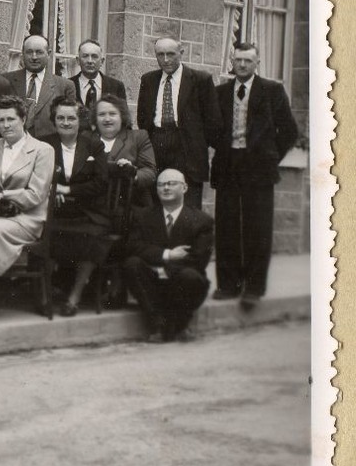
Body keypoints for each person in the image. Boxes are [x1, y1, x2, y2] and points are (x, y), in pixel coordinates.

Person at [209, 42, 300, 306]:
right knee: (227, 227)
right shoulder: (220, 92)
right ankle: (228, 285)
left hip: (258, 169)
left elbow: (290, 132)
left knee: (257, 228)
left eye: (248, 60)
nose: (243, 65)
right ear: (232, 61)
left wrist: (269, 157)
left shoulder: (271, 91)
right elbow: (213, 130)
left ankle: (253, 288)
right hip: (228, 166)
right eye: (238, 60)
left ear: (257, 63)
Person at [0, 95, 55, 325]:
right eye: (0, 120)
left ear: (23, 119)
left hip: (27, 217)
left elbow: (37, 193)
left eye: (10, 119)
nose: (5, 125)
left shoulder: (42, 150)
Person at [122, 169, 214, 343]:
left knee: (190, 276)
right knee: (132, 264)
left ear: (185, 187)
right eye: (161, 185)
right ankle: (157, 324)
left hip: (182, 282)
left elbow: (198, 259)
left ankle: (180, 326)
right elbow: (133, 247)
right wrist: (168, 255)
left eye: (171, 183)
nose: (165, 188)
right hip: (153, 282)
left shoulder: (201, 221)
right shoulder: (144, 216)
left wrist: (165, 269)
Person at [137, 36, 223, 209]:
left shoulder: (200, 80)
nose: (166, 60)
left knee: (188, 206)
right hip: (156, 143)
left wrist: (196, 143)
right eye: (160, 55)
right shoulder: (148, 80)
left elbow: (214, 123)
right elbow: (143, 118)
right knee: (155, 203)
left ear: (181, 53)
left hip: (187, 149)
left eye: (171, 54)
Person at [46, 99, 112, 317]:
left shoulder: (93, 144)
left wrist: (68, 190)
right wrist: (53, 192)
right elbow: (37, 177)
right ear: (54, 120)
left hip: (88, 211)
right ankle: (45, 293)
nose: (65, 122)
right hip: (55, 211)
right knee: (46, 234)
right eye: (60, 118)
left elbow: (101, 182)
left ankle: (74, 295)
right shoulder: (45, 145)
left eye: (71, 118)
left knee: (91, 237)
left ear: (80, 120)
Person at [4, 35, 74, 141]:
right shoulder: (6, 81)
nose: (34, 57)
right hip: (12, 145)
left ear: (49, 54)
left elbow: (70, 122)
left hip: (49, 147)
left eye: (39, 52)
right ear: (22, 54)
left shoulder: (64, 85)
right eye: (29, 52)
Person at [93, 93, 158, 199]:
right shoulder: (87, 139)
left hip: (128, 202)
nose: (107, 119)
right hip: (93, 203)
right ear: (95, 118)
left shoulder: (138, 137)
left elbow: (150, 173)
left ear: (122, 116)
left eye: (112, 114)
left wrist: (132, 172)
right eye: (102, 114)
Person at [68, 39, 127, 123]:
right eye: (85, 56)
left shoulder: (116, 86)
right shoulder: (67, 85)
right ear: (78, 60)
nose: (90, 61)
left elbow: (124, 120)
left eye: (94, 56)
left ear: (102, 61)